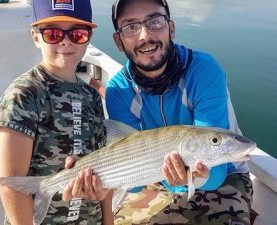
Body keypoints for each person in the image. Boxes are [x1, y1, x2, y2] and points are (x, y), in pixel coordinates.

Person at [106, 0, 253, 224]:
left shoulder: (203, 71)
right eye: (130, 27)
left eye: (154, 21)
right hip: (153, 176)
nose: (145, 35)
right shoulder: (118, 91)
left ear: (171, 28)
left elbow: (215, 171)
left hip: (224, 176)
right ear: (118, 41)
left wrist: (193, 177)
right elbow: (134, 183)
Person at [0, 0, 113, 224]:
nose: (65, 42)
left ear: (88, 38)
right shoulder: (24, 94)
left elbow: (105, 163)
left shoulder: (92, 96)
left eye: (77, 34)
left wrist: (109, 219)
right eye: (53, 34)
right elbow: (13, 183)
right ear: (36, 37)